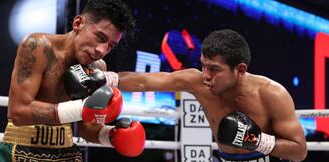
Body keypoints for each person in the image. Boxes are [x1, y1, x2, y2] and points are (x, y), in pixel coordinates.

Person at [102, 29, 307, 161]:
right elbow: (144, 81)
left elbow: (299, 150)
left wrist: (255, 140)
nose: (206, 76)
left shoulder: (272, 94)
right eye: (203, 66)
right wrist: (105, 80)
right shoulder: (197, 81)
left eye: (215, 69)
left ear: (240, 69)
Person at [0, 0, 145, 161]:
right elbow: (18, 112)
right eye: (100, 37)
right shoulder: (38, 47)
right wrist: (80, 109)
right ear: (78, 23)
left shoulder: (98, 66)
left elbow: (87, 129)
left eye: (110, 46)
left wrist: (111, 136)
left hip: (66, 153)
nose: (102, 50)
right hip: (21, 151)